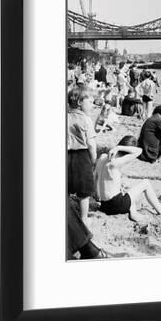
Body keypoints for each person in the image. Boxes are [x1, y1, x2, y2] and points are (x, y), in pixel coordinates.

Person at [95, 136, 161, 223]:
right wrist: (118, 147)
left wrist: (98, 196)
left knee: (125, 188)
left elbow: (96, 177)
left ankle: (133, 211)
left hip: (104, 205)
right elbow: (139, 151)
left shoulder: (102, 157)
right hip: (116, 205)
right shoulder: (116, 162)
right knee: (145, 183)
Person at [67, 86, 98, 224]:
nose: (92, 105)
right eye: (90, 102)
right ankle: (84, 218)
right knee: (83, 192)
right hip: (81, 155)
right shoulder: (86, 119)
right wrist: (93, 158)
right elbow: (91, 143)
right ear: (80, 102)